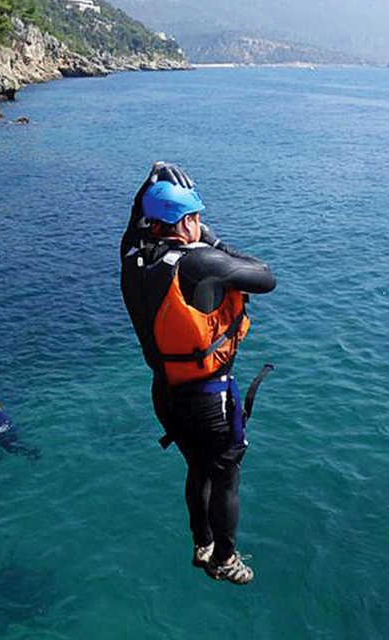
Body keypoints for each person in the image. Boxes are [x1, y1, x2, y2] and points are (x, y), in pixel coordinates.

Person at [119, 163, 276, 585]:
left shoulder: (132, 256)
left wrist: (149, 182)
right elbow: (265, 277)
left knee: (197, 466)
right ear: (187, 221)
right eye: (197, 217)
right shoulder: (200, 262)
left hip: (166, 393)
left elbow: (134, 222)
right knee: (225, 475)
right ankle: (224, 558)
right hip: (208, 398)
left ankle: (202, 542)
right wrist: (213, 240)